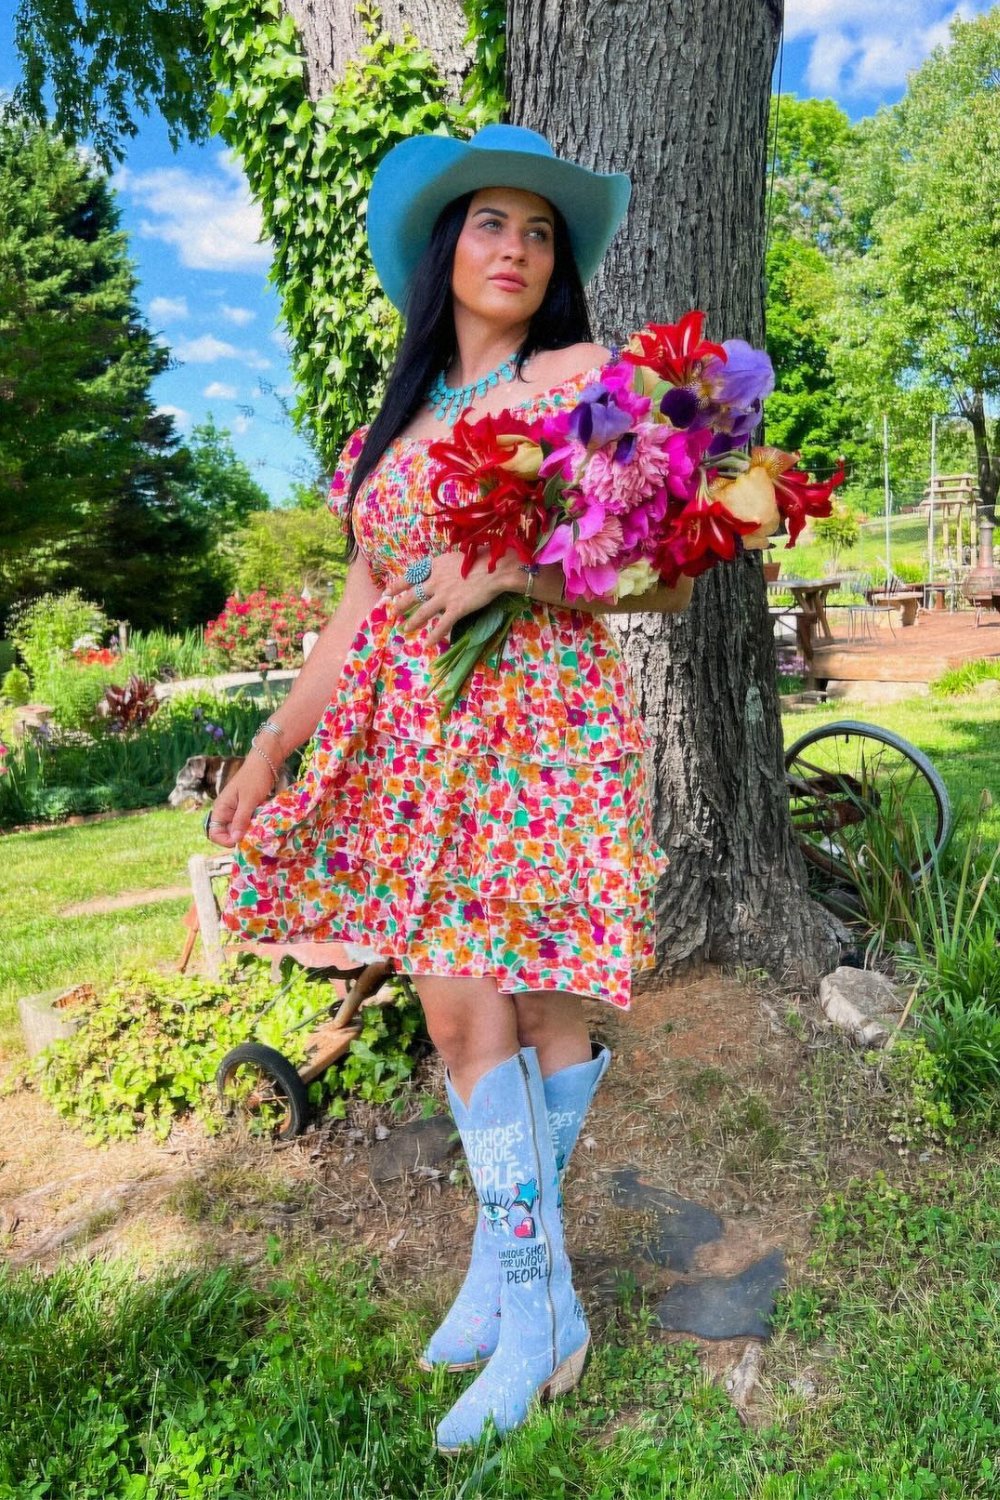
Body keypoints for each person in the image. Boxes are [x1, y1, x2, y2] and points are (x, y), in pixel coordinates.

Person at [208, 124, 694, 1452]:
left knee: (524, 1002)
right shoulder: (389, 429)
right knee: (465, 999)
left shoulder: (585, 380)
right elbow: (355, 619)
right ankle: (528, 1288)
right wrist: (270, 746)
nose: (518, 249)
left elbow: (674, 568)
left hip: (540, 731)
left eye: (541, 233)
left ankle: (528, 1308)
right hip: (421, 747)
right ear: (445, 250)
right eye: (493, 223)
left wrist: (512, 576)